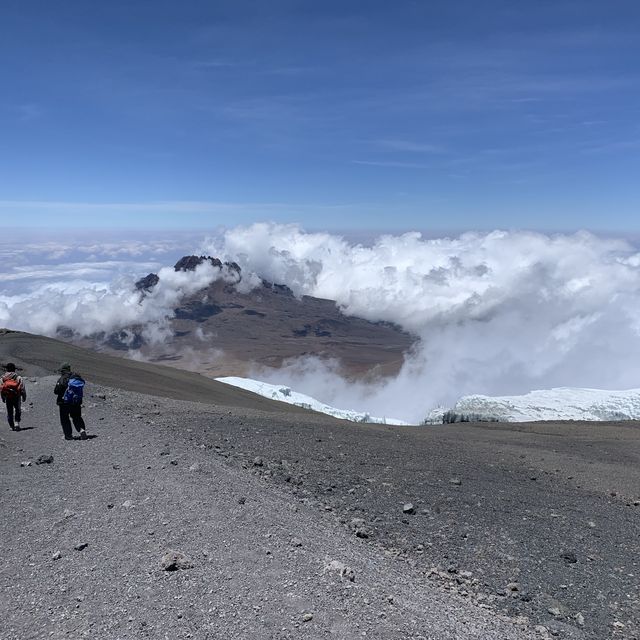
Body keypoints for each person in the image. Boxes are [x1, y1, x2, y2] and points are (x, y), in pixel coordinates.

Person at [54, 362, 87, 440]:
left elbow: (56, 391)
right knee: (77, 416)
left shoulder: (62, 378)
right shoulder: (76, 377)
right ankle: (81, 429)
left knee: (65, 419)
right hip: (76, 401)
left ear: (63, 370)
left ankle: (68, 435)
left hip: (64, 402)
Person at [1, 362, 27, 431]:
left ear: (7, 369)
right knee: (18, 410)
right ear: (14, 369)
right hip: (16, 396)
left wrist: (3, 398)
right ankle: (16, 423)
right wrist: (24, 397)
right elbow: (22, 388)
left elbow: (1, 388)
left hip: (8, 397)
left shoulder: (3, 378)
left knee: (9, 411)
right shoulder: (18, 377)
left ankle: (11, 426)